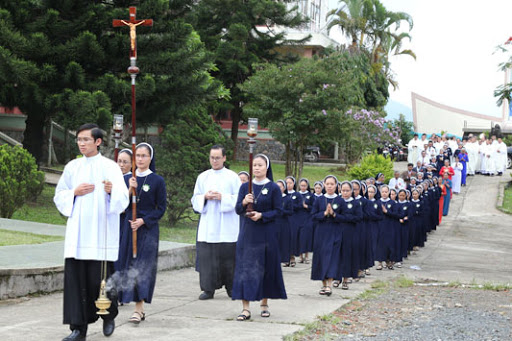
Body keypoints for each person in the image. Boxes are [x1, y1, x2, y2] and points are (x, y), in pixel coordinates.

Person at [54, 123, 129, 341]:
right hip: (78, 235)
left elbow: (123, 200)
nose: (81, 143)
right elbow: (60, 196)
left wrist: (112, 190)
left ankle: (108, 315)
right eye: (79, 139)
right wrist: (74, 193)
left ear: (97, 141)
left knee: (101, 281)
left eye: (86, 139)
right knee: (76, 284)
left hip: (101, 234)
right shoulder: (72, 167)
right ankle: (78, 329)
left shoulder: (110, 167)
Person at [117, 142, 167, 323]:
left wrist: (144, 221)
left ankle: (139, 308)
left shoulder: (157, 181)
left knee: (142, 267)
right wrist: (130, 189)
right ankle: (127, 301)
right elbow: (121, 206)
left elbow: (161, 208)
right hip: (129, 228)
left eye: (144, 156)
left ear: (150, 158)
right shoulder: (128, 179)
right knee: (129, 265)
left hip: (147, 230)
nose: (140, 159)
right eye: (137, 156)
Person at [234, 154, 286, 321]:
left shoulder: (273, 188)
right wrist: (243, 202)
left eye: (260, 165)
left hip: (266, 233)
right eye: (254, 165)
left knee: (265, 268)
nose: (256, 168)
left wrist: (262, 215)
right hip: (248, 233)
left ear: (267, 168)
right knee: (246, 268)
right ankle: (245, 308)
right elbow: (237, 210)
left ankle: (264, 304)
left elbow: (278, 211)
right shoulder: (245, 187)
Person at [191, 145, 241, 300]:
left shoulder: (233, 177)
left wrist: (223, 198)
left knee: (228, 258)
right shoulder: (203, 177)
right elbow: (195, 198)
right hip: (209, 223)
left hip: (227, 223)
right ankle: (208, 289)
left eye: (218, 157)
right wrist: (204, 197)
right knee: (208, 258)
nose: (214, 160)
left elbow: (239, 199)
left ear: (224, 158)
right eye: (212, 157)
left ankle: (232, 288)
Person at [310, 175, 343, 296]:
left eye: (332, 184)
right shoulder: (319, 200)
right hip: (321, 232)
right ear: (324, 185)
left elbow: (344, 217)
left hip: (335, 231)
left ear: (336, 186)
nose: (329, 186)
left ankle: (329, 285)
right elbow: (313, 216)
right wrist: (324, 213)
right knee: (321, 257)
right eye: (327, 184)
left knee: (333, 257)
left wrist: (334, 214)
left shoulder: (340, 200)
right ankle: (323, 285)